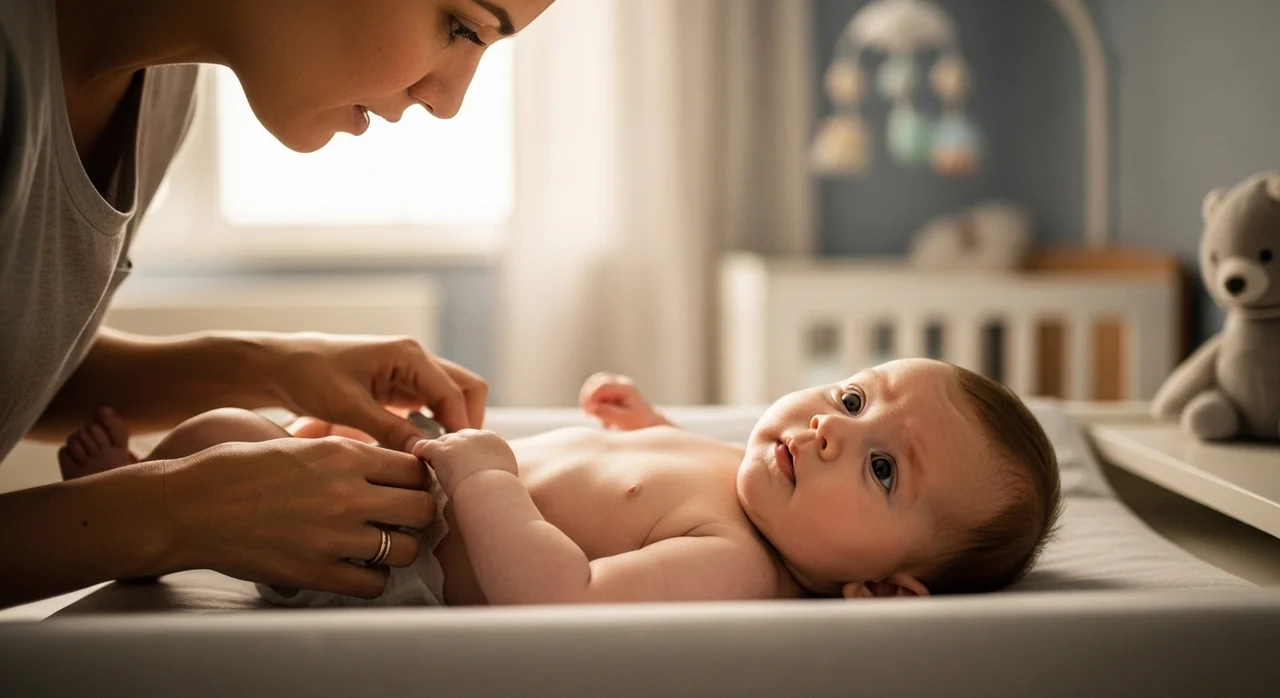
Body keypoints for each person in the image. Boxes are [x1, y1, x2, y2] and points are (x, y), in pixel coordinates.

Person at [0, 0, 556, 609]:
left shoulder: (160, 86)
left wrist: (277, 367)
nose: (448, 102)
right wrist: (172, 512)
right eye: (459, 27)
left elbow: (19, 366)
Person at [62, 359, 1063, 605]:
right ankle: (146, 485)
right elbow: (672, 474)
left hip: (387, 543)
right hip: (411, 478)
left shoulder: (734, 565)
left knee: (237, 440)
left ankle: (154, 517)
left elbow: (561, 594)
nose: (827, 430)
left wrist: (486, 472)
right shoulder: (758, 481)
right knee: (231, 429)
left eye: (883, 465)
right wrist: (650, 426)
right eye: (851, 397)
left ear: (884, 590)